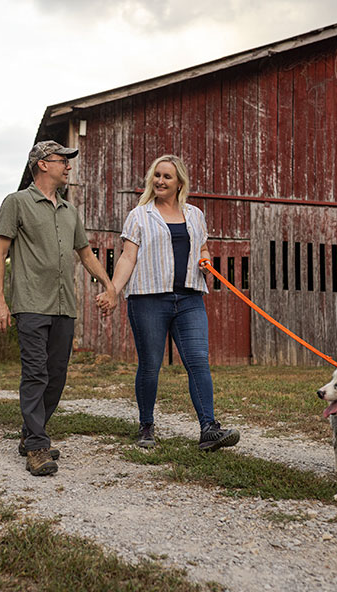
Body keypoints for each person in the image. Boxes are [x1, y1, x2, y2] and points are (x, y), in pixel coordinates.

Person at [97, 154, 239, 451]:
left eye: (167, 177)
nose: (160, 181)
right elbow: (128, 256)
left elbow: (203, 248)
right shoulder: (139, 215)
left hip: (189, 297)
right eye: (157, 176)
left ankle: (209, 428)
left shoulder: (195, 214)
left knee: (198, 360)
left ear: (179, 183)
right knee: (150, 364)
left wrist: (205, 261)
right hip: (149, 298)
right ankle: (146, 425)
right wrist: (112, 290)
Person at [0, 140, 115, 476]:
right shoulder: (16, 203)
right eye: (63, 160)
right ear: (43, 164)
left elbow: (86, 254)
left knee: (56, 377)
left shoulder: (69, 211)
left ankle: (32, 434)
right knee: (35, 374)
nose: (69, 166)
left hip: (64, 306)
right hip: (31, 304)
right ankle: (36, 447)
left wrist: (109, 284)